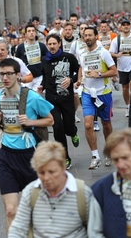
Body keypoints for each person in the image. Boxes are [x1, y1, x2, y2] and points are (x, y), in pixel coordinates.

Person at [0, 58, 54, 234]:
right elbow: (5, 124)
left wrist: (31, 121)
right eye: (2, 74)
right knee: (11, 210)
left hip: (30, 157)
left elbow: (51, 120)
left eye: (9, 73)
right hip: (6, 157)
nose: (5, 78)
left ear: (18, 75)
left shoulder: (32, 97)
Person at [8, 141, 92, 237]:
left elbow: (95, 230)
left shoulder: (82, 194)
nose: (46, 178)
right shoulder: (30, 192)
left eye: (52, 172)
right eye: (41, 173)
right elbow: (18, 229)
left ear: (63, 167)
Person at [38, 34, 80, 170]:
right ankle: (65, 157)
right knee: (57, 128)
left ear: (59, 44)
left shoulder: (68, 58)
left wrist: (71, 79)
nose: (51, 46)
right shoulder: (44, 60)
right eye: (49, 44)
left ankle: (73, 133)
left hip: (66, 98)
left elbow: (78, 70)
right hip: (51, 99)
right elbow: (46, 76)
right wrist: (42, 86)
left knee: (68, 127)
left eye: (54, 44)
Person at [77, 27, 117, 169]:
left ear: (96, 36)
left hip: (104, 93)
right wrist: (78, 80)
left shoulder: (103, 53)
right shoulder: (81, 53)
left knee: (106, 124)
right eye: (85, 35)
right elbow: (81, 68)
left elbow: (114, 71)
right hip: (88, 93)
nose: (87, 37)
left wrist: (99, 74)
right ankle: (95, 156)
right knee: (88, 124)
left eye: (89, 35)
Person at [109, 18, 131, 117]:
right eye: (123, 25)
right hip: (122, 66)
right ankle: (128, 106)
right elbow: (111, 52)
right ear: (120, 27)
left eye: (127, 25)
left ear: (130, 26)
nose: (126, 26)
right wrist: (117, 55)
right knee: (125, 88)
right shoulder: (117, 39)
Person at [15, 23, 47, 91]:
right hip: (26, 77)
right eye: (29, 31)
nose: (31, 33)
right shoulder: (20, 47)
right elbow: (16, 62)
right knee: (25, 98)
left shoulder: (42, 46)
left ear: (35, 33)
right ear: (25, 34)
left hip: (39, 77)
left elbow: (46, 59)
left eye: (33, 31)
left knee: (37, 98)